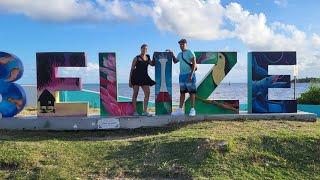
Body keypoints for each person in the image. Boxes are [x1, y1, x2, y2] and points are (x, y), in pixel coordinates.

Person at [170, 39, 197, 116]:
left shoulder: (190, 52)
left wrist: (191, 75)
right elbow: (175, 61)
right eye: (180, 44)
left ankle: (192, 109)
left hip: (189, 74)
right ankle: (180, 110)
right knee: (182, 93)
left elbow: (194, 63)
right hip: (181, 75)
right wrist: (172, 54)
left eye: (183, 44)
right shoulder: (179, 54)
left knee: (192, 93)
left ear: (186, 44)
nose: (181, 46)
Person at [129, 44, 156, 116]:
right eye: (143, 48)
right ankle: (135, 112)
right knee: (135, 93)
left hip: (144, 77)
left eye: (146, 49)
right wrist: (130, 81)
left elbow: (152, 64)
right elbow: (131, 70)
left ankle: (145, 111)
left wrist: (154, 56)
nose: (144, 50)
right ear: (141, 49)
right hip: (136, 77)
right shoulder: (136, 58)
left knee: (148, 93)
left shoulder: (148, 57)